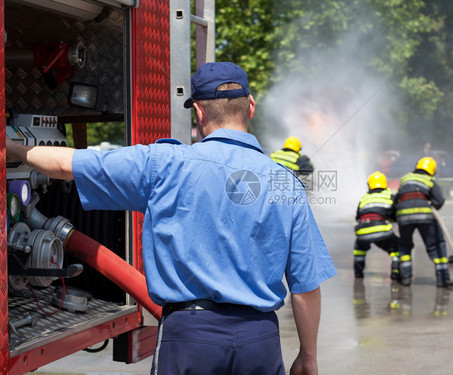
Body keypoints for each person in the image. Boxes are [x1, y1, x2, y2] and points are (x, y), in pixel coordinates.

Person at [6, 62, 337, 375]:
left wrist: (14, 149)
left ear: (198, 111)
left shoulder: (164, 164)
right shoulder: (285, 183)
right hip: (259, 340)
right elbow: (306, 286)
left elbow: (69, 165)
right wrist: (308, 357)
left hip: (190, 337)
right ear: (250, 106)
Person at [394, 157, 453, 289]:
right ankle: (442, 279)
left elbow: (398, 196)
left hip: (403, 216)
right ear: (432, 171)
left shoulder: (405, 178)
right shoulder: (430, 181)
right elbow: (439, 201)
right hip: (424, 215)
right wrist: (430, 204)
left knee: (404, 245)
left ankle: (405, 278)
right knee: (436, 244)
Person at [353, 171, 400, 280]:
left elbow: (358, 217)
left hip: (362, 231)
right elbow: (395, 215)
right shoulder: (389, 195)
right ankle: (395, 271)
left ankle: (358, 273)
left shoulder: (364, 198)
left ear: (369, 185)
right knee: (396, 248)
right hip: (381, 230)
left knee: (359, 248)